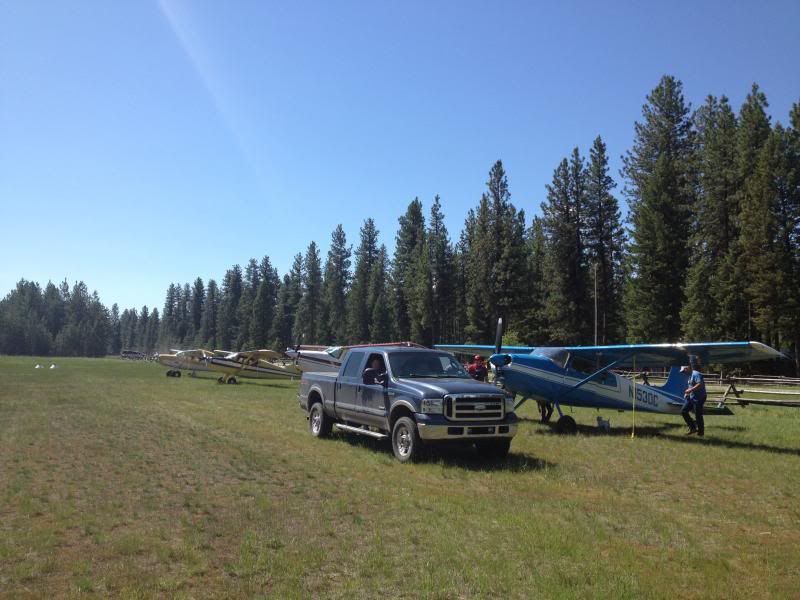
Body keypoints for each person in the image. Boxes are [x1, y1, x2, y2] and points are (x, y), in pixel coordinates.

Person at [681, 360, 707, 436]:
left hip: (699, 397)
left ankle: (700, 433)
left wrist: (690, 390)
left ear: (687, 368)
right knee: (684, 411)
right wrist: (687, 394)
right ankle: (693, 428)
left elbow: (699, 384)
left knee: (698, 415)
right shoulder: (689, 375)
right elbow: (691, 385)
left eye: (684, 371)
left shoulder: (696, 374)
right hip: (691, 397)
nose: (683, 373)